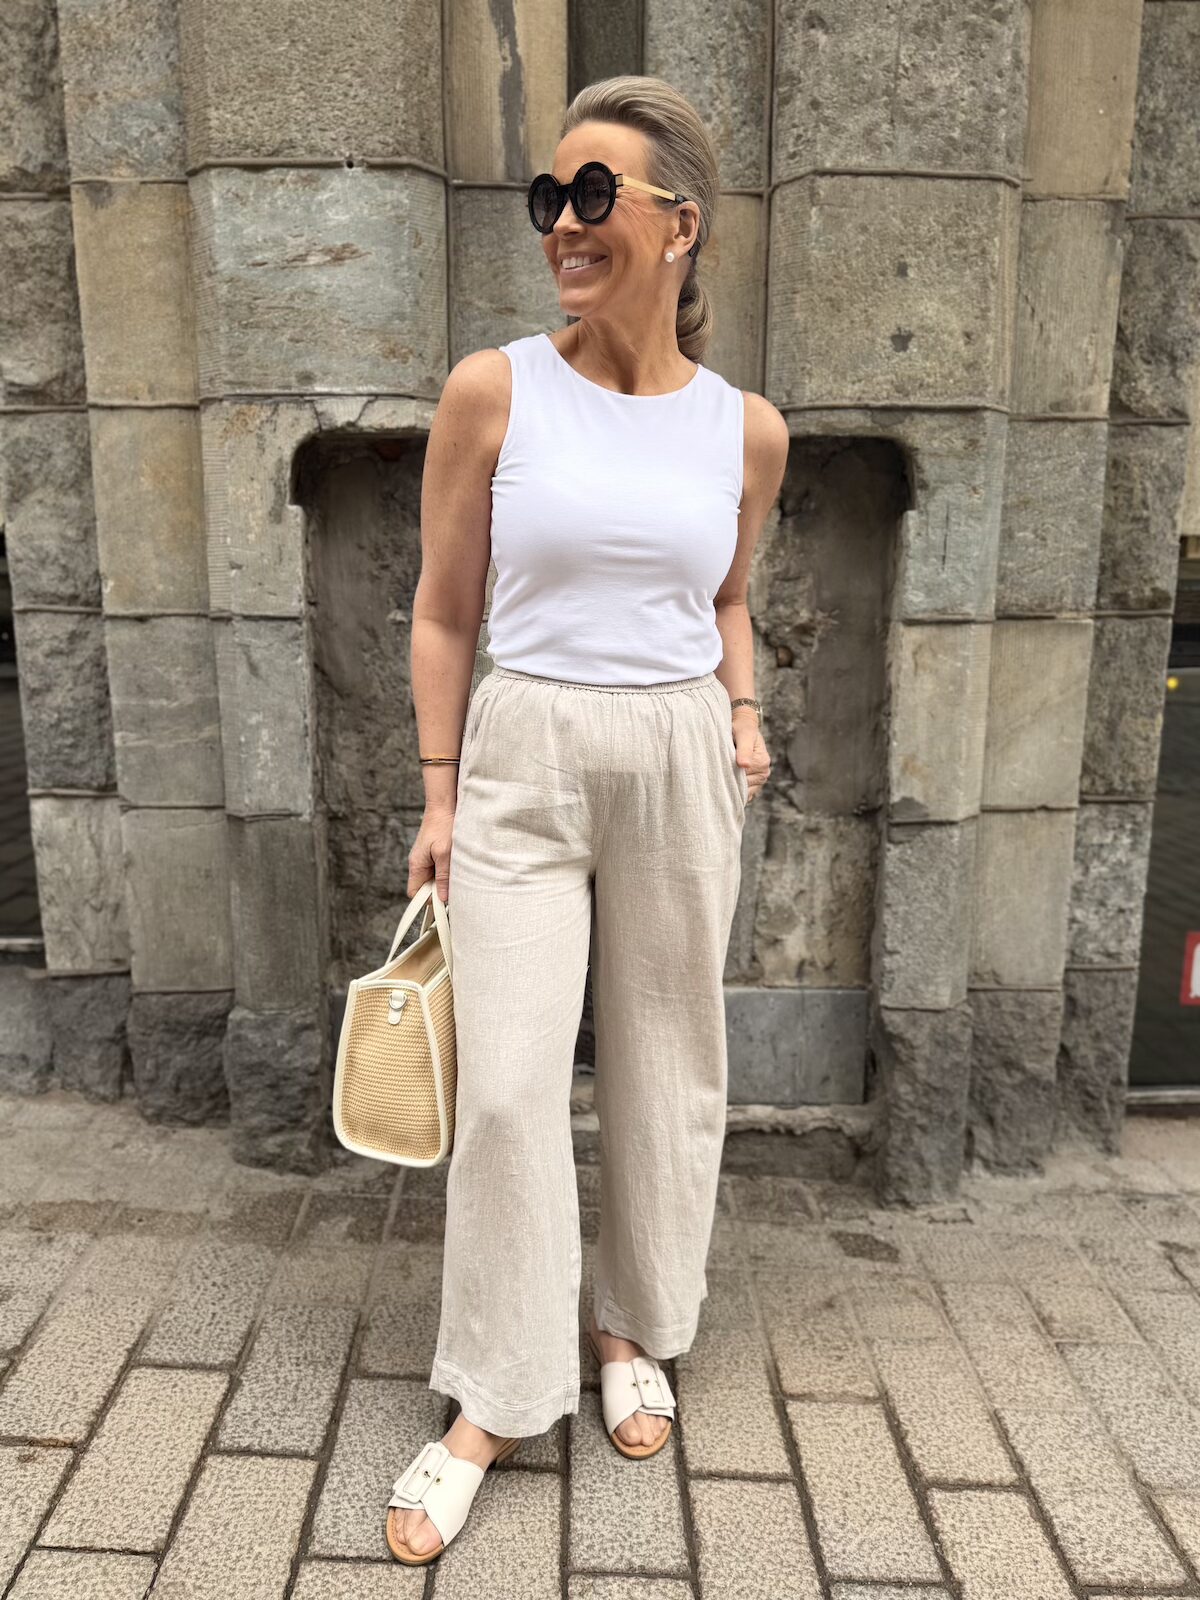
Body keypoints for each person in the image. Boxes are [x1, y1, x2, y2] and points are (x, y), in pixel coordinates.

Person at [385, 74, 789, 1565]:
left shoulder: (747, 431)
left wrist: (744, 714)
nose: (564, 222)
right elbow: (444, 611)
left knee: (671, 1061)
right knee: (506, 1085)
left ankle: (633, 1324)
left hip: (681, 751)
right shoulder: (495, 390)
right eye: (550, 196)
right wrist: (440, 793)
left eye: (595, 194)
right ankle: (495, 1393)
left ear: (681, 226)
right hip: (526, 749)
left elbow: (727, 599)